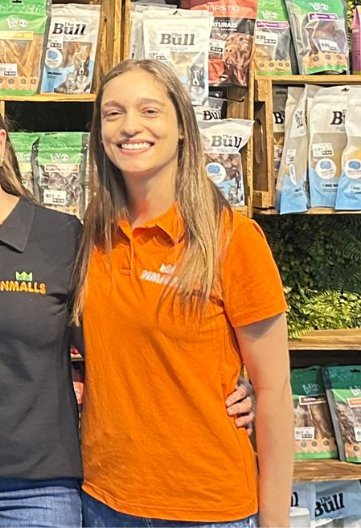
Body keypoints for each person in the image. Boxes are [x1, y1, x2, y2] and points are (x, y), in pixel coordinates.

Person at [0, 82, 258, 528]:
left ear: (0, 143)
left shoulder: (63, 237)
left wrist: (229, 384)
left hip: (35, 486)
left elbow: (123, 335)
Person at [75, 59, 293, 528]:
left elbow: (273, 392)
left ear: (182, 130)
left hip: (207, 506)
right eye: (113, 114)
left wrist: (276, 522)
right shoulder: (92, 233)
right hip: (104, 499)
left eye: (149, 110)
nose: (129, 126)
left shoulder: (232, 238)